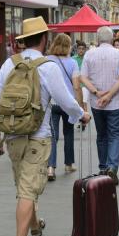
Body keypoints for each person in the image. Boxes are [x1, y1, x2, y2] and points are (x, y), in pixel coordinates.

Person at [0, 17, 91, 236]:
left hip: (12, 136)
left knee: (25, 187)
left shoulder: (8, 64)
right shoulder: (47, 67)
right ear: (44, 39)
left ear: (24, 40)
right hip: (37, 136)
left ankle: (35, 228)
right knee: (28, 189)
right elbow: (65, 101)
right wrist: (82, 115)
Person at [80, 26, 119, 185]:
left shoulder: (89, 54)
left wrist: (96, 92)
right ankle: (112, 167)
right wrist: (109, 95)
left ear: (98, 39)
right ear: (112, 38)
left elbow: (83, 77)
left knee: (101, 135)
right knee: (115, 134)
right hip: (115, 102)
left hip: (97, 103)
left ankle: (102, 166)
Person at [46, 34, 84, 180]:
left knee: (52, 135)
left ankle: (50, 168)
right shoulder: (72, 62)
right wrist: (80, 107)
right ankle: (68, 164)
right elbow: (76, 87)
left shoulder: (47, 60)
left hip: (52, 103)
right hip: (68, 103)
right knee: (69, 133)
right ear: (69, 47)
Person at [73, 41, 89, 114]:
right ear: (76, 49)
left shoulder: (88, 59)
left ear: (85, 49)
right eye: (79, 48)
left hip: (85, 85)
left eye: (83, 49)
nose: (81, 50)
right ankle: (80, 119)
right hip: (75, 85)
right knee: (77, 104)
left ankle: (84, 121)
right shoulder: (73, 59)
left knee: (84, 102)